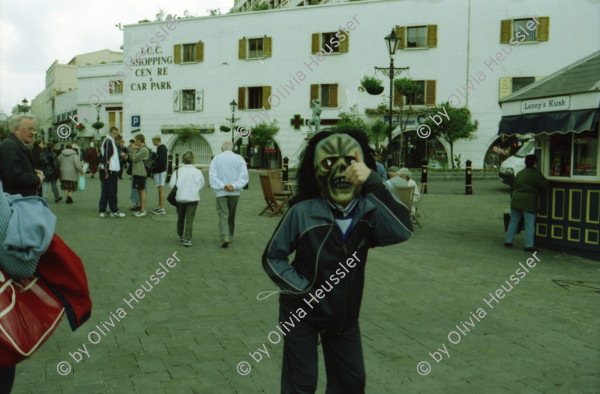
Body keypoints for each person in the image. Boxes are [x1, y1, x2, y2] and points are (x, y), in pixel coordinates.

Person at [262, 130, 412, 393]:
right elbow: (273, 256)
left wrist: (375, 182)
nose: (342, 171)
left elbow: (402, 230)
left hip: (344, 314)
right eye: (329, 162)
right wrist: (302, 288)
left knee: (351, 381)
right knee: (302, 384)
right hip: (301, 312)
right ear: (315, 171)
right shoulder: (302, 212)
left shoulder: (369, 210)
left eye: (351, 162)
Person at [505, 154, 549, 252]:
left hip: (516, 199)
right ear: (534, 163)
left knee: (513, 221)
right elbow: (544, 184)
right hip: (528, 201)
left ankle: (508, 241)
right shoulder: (535, 174)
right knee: (529, 224)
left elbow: (514, 186)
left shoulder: (520, 173)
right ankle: (529, 245)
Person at [209, 141, 249, 248]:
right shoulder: (239, 158)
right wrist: (234, 186)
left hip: (221, 192)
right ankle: (230, 235)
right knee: (231, 213)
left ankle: (224, 236)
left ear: (222, 149)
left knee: (223, 213)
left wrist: (223, 186)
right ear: (232, 148)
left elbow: (212, 176)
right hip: (234, 192)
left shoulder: (216, 159)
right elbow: (244, 176)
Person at [0, 115, 44, 196]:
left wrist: (32, 171)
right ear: (16, 129)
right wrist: (37, 179)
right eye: (29, 129)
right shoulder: (9, 147)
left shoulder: (16, 145)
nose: (33, 133)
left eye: (34, 130)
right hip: (17, 203)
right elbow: (15, 177)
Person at [169, 150, 205, 247]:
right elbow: (202, 184)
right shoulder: (198, 172)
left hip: (180, 197)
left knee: (180, 217)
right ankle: (188, 239)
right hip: (193, 197)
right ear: (193, 160)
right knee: (190, 218)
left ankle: (180, 234)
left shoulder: (177, 171)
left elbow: (171, 184)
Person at [98, 127, 125, 218]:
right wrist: (106, 172)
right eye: (114, 133)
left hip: (110, 170)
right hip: (110, 171)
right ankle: (114, 210)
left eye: (117, 133)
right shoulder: (109, 142)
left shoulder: (110, 141)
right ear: (110, 132)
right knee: (112, 191)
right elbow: (106, 158)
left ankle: (102, 210)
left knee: (105, 191)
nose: (115, 135)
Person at [130, 134, 150, 217]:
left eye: (136, 140)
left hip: (141, 172)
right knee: (139, 191)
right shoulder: (140, 149)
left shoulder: (144, 149)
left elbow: (134, 158)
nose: (135, 143)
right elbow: (131, 158)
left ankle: (143, 210)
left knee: (142, 191)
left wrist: (134, 149)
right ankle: (141, 209)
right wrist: (134, 150)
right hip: (137, 172)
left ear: (139, 140)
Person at [151, 135, 168, 215]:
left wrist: (155, 169)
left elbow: (162, 162)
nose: (153, 143)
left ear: (156, 140)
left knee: (161, 189)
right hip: (159, 171)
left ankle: (162, 208)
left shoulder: (162, 149)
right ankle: (160, 206)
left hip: (161, 171)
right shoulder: (160, 148)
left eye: (153, 141)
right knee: (159, 189)